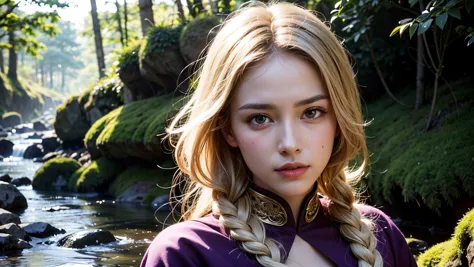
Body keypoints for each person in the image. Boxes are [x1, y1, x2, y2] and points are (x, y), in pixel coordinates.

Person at [140, 1, 417, 266]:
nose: (290, 144)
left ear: (339, 116)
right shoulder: (183, 254)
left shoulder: (381, 236)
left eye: (312, 112)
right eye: (260, 118)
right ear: (228, 129)